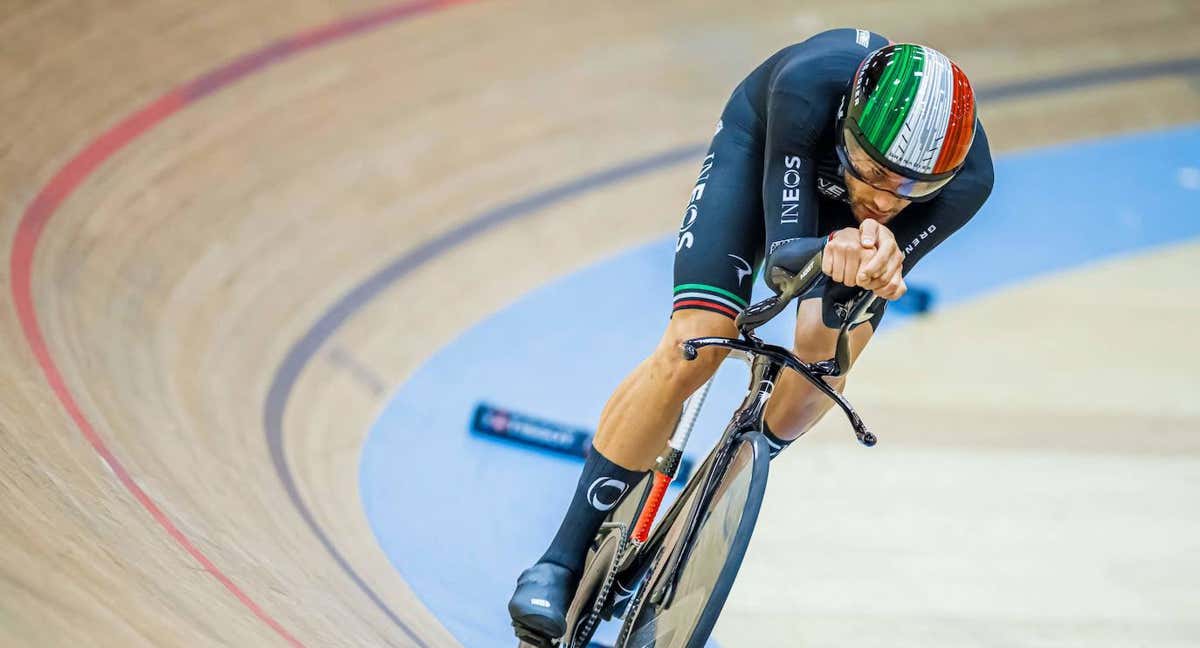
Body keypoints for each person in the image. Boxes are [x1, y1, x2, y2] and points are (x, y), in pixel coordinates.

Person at [508, 28, 994, 642]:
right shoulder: (808, 88)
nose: (884, 199)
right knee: (698, 344)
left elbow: (867, 280)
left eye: (911, 189)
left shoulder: (969, 181)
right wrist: (835, 245)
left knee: (819, 361)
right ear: (846, 126)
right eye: (873, 172)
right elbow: (786, 260)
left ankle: (713, 496)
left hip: (845, 238)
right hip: (765, 150)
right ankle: (560, 557)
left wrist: (870, 261)